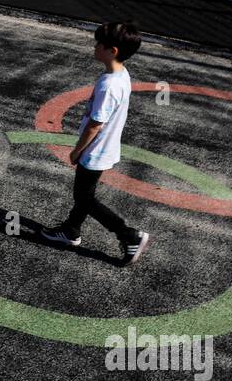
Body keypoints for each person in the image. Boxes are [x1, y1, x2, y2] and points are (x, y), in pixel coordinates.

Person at [41, 21, 151, 267]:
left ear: (112, 50)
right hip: (105, 148)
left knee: (84, 198)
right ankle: (71, 230)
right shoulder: (121, 75)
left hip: (95, 150)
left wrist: (77, 151)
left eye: (99, 44)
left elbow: (95, 124)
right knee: (85, 194)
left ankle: (128, 235)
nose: (95, 46)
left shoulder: (108, 85)